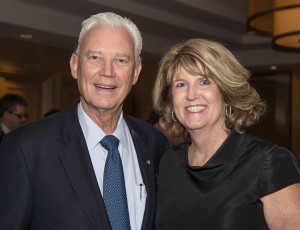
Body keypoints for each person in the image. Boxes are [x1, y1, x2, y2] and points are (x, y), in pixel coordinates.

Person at [0, 12, 167, 230]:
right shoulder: (26, 149)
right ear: (75, 65)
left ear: (135, 72)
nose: (107, 72)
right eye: (95, 57)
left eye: (121, 60)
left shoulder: (154, 144)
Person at [153, 38, 300, 230]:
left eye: (204, 82)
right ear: (171, 99)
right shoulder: (168, 163)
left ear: (227, 92)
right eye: (180, 84)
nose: (191, 95)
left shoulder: (269, 163)